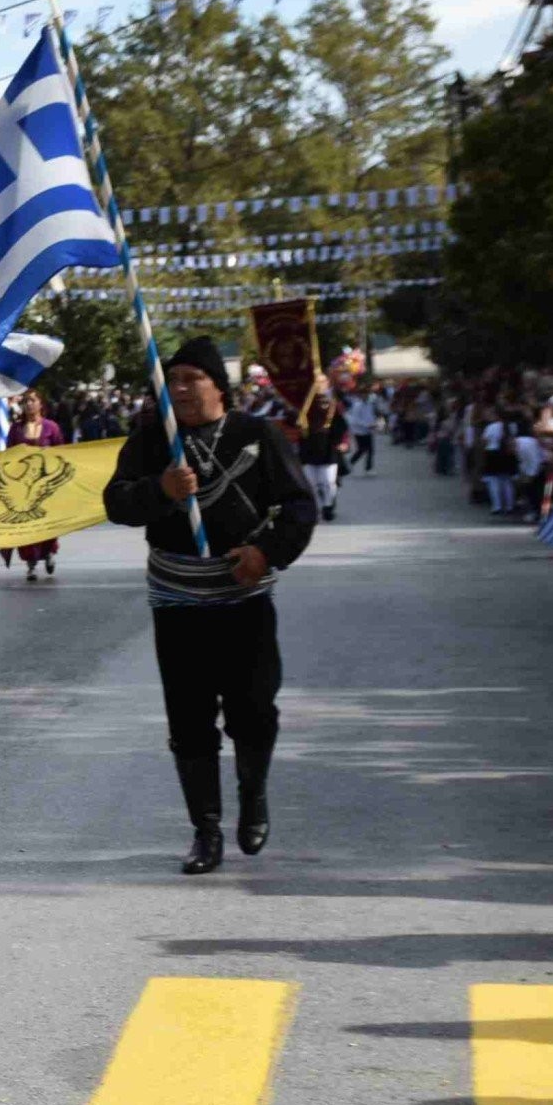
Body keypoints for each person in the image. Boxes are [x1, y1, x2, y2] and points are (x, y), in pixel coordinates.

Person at [104, 337, 317, 876]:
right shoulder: (153, 440)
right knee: (189, 719)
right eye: (170, 381)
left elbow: (298, 505)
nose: (177, 389)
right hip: (177, 601)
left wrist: (266, 552)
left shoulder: (257, 435)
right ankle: (205, 832)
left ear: (217, 385)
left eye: (189, 380)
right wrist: (161, 489)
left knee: (253, 708)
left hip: (243, 596)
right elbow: (117, 503)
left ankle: (254, 797)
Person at [7, 392, 67, 580]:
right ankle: (30, 564)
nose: (29, 404)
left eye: (33, 400)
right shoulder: (16, 429)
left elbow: (62, 453)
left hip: (46, 485)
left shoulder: (51, 427)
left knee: (46, 522)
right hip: (23, 487)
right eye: (26, 401)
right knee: (26, 525)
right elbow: (8, 456)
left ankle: (48, 553)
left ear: (41, 404)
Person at [297, 394, 350, 523]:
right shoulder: (305, 416)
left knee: (328, 482)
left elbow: (344, 432)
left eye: (325, 402)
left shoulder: (334, 416)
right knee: (312, 484)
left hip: (329, 454)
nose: (323, 405)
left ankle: (328, 505)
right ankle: (318, 508)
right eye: (320, 402)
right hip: (309, 455)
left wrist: (344, 444)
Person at [343, 385, 380, 474]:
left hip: (368, 430)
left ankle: (368, 468)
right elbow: (355, 420)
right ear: (360, 395)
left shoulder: (369, 404)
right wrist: (367, 425)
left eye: (367, 394)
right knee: (361, 450)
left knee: (370, 449)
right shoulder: (357, 405)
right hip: (359, 431)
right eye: (364, 394)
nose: (366, 396)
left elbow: (370, 415)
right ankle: (350, 463)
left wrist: (374, 423)